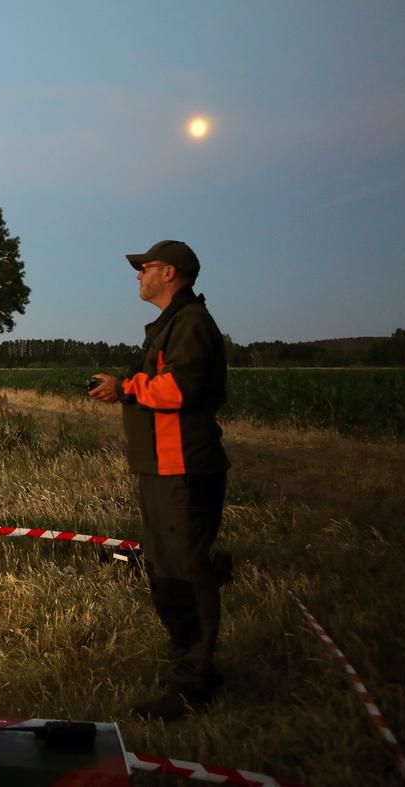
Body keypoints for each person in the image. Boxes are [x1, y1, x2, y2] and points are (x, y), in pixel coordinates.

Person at [88, 239, 230, 721]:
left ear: (168, 272)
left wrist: (125, 387)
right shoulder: (174, 324)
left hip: (182, 468)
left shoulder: (189, 323)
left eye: (144, 268)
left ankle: (194, 682)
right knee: (167, 569)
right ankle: (190, 664)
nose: (138, 276)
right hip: (163, 467)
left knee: (184, 574)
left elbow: (180, 388)